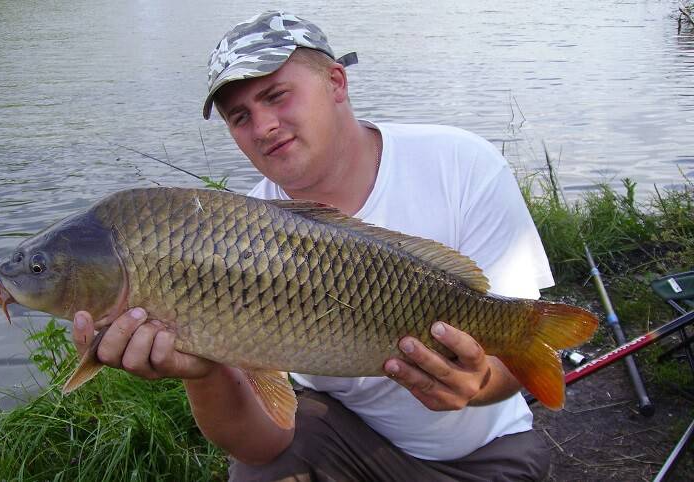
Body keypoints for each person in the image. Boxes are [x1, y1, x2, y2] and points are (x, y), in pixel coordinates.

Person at [72, 11, 553, 481]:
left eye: (277, 96)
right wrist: (201, 369)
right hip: (350, 439)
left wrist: (481, 383)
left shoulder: (460, 164)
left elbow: (511, 359)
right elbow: (262, 446)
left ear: (337, 83)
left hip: (484, 454)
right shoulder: (230, 235)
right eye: (240, 116)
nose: (263, 127)